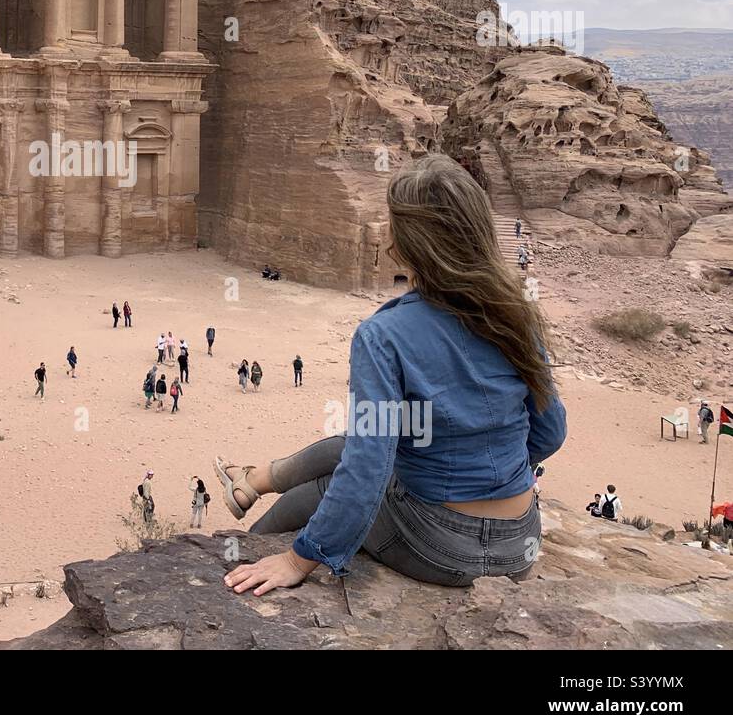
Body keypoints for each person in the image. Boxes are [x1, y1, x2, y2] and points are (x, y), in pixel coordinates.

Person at [215, 154, 567, 596]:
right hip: (518, 545)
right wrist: (488, 472)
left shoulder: (384, 335)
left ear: (403, 242)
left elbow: (366, 469)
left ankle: (255, 554)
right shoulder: (518, 315)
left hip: (440, 548)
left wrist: (299, 560)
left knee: (331, 482)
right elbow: (550, 434)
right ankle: (253, 484)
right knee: (360, 446)